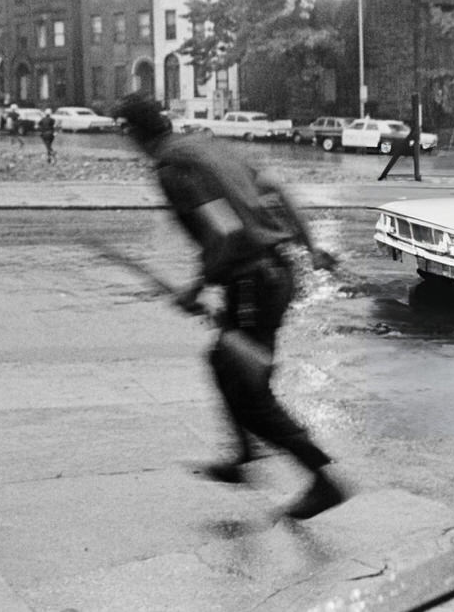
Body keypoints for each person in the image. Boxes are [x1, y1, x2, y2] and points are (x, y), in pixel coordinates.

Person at [112, 90, 346, 520]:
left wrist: (198, 287)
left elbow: (225, 231)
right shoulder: (207, 145)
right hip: (274, 273)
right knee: (223, 363)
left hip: (254, 280)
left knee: (249, 389)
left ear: (132, 133)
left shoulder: (171, 167)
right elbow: (276, 190)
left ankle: (324, 479)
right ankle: (244, 457)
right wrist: (310, 249)